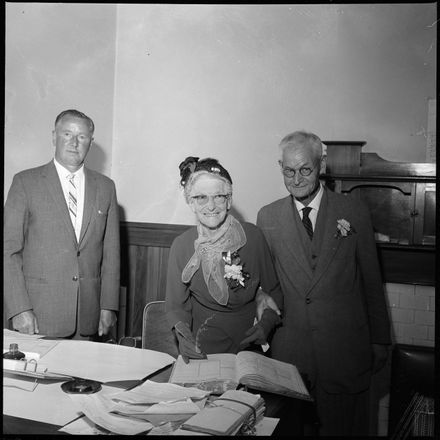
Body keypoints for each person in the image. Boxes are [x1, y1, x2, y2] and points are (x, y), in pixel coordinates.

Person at [256, 131, 391, 436]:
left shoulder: (353, 210)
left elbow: (371, 279)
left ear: (321, 165)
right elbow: (266, 288)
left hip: (344, 352)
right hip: (290, 354)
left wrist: (380, 340)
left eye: (305, 169)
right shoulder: (268, 216)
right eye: (288, 171)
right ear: (280, 166)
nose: (297, 179)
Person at [4, 109, 120, 339]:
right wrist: (19, 309)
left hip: (88, 318)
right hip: (37, 318)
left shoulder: (106, 187)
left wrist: (108, 306)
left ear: (90, 142)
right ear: (54, 136)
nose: (74, 142)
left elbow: (111, 253)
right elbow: (9, 251)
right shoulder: (25, 182)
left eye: (82, 137)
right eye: (67, 134)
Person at [165, 156, 282, 363]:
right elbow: (176, 307)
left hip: (250, 348)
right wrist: (183, 336)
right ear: (190, 203)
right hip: (203, 349)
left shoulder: (253, 237)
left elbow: (274, 291)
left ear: (229, 200)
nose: (211, 206)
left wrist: (267, 324)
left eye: (219, 196)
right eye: (201, 197)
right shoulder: (181, 246)